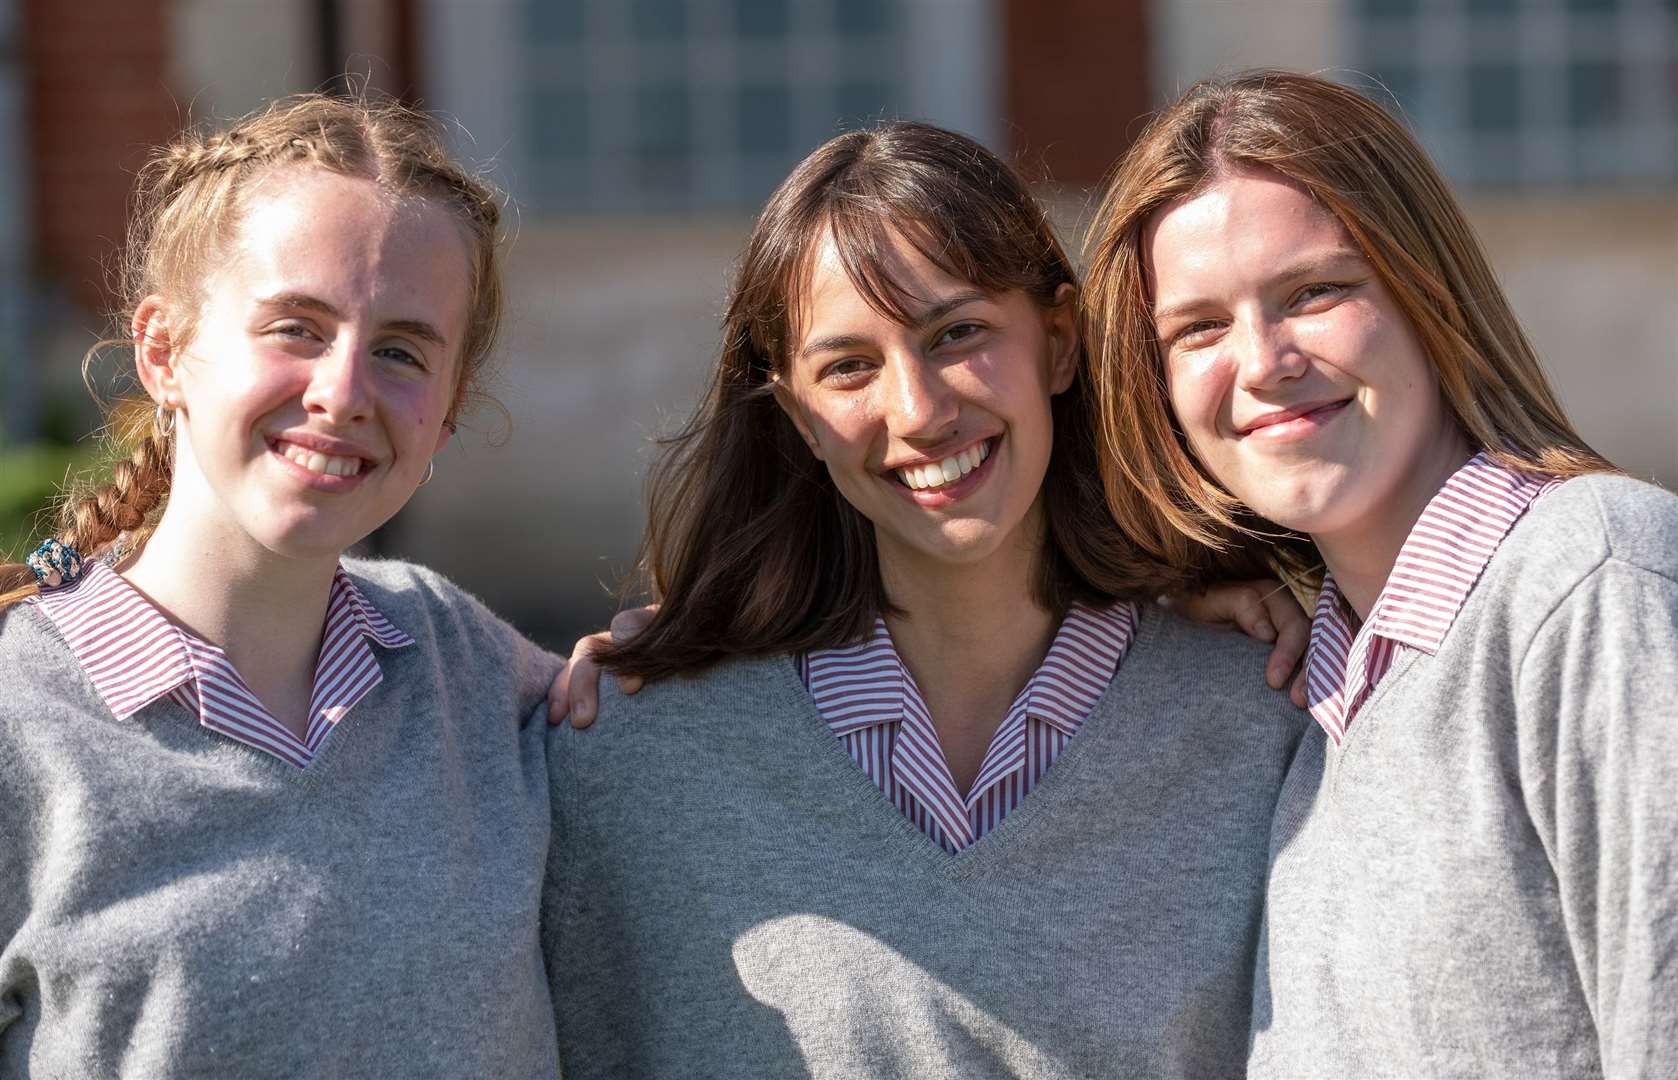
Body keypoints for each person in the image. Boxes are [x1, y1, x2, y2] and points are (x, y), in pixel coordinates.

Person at [543, 120, 1305, 1079]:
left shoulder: (1259, 723)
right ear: (800, 420)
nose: (918, 410)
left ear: (1060, 342)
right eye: (850, 365)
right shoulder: (637, 753)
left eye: (958, 334)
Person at [1081, 70, 1678, 1077]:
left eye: (1313, 293)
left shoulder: (1592, 577)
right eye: (1199, 329)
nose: (1262, 361)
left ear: (1424, 287)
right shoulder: (1311, 701)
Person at [0, 95, 563, 1078]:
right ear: (164, 353)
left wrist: (660, 662)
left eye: (399, 351)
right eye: (296, 328)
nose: (342, 392)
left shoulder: (467, 667)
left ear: (447, 413)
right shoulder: (21, 727)